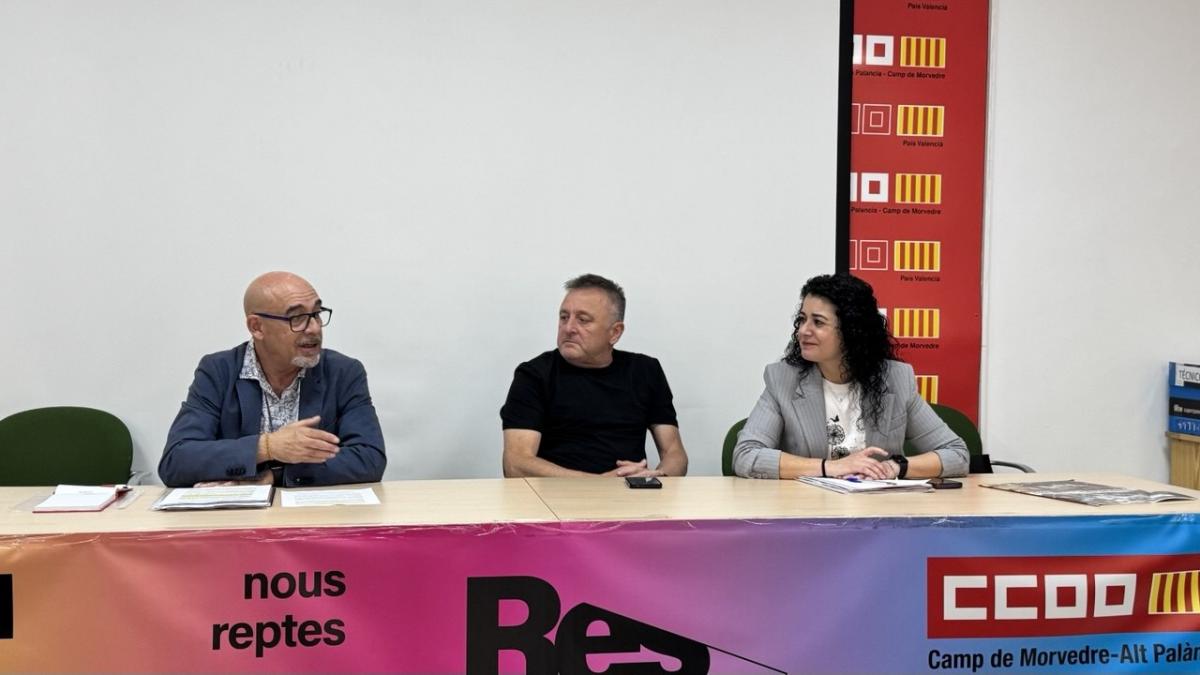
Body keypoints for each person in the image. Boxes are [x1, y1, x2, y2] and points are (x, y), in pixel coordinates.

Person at [159, 272, 386, 487]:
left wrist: (276, 475)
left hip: (313, 516)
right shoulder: (219, 371)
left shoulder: (343, 372)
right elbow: (176, 461)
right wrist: (267, 447)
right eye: (297, 318)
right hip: (239, 520)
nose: (314, 328)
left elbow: (369, 458)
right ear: (257, 327)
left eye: (316, 314)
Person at [733, 274, 967, 480]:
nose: (803, 330)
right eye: (802, 319)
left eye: (818, 322)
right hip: (809, 514)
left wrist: (895, 467)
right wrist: (828, 467)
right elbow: (746, 455)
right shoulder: (783, 379)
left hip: (879, 513)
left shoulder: (896, 379)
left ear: (852, 331)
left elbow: (956, 453)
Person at [501, 274, 689, 477]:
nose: (569, 328)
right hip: (555, 501)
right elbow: (516, 464)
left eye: (583, 320)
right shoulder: (534, 375)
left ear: (615, 333)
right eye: (564, 317)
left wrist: (658, 476)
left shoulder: (645, 371)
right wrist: (598, 485)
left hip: (630, 500)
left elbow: (675, 453)